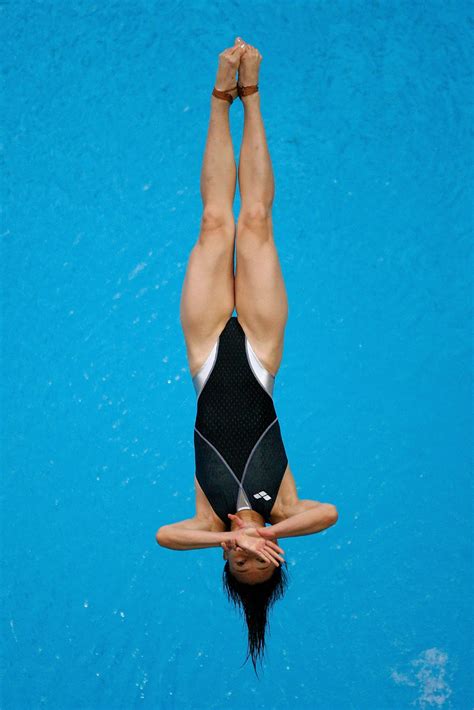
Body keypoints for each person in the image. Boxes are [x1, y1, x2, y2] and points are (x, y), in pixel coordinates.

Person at [156, 37, 339, 675]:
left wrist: (228, 533)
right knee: (255, 221)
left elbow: (164, 536)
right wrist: (270, 530)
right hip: (261, 352)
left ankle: (219, 93)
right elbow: (328, 514)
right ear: (277, 551)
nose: (248, 548)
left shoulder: (209, 520)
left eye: (239, 559)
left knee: (214, 223)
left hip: (207, 352)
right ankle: (252, 93)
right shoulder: (284, 507)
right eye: (259, 555)